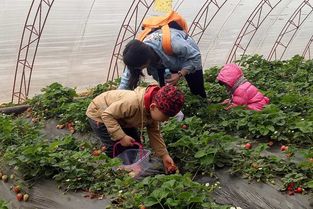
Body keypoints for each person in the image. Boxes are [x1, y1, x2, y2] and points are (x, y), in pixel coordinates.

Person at [85, 84, 185, 172]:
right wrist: (121, 137)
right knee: (114, 147)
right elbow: (107, 115)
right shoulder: (132, 103)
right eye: (165, 116)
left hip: (122, 118)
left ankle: (129, 168)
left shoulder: (153, 109)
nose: (166, 120)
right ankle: (111, 169)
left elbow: (155, 133)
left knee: (135, 145)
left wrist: (164, 155)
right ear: (153, 107)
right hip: (100, 113)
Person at [119, 27, 207, 98]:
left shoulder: (174, 43)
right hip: (163, 63)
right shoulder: (135, 54)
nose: (138, 69)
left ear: (147, 60)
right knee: (166, 93)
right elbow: (127, 78)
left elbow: (196, 57)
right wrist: (117, 96)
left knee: (197, 92)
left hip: (188, 57)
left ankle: (201, 105)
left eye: (139, 67)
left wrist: (180, 74)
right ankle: (175, 111)